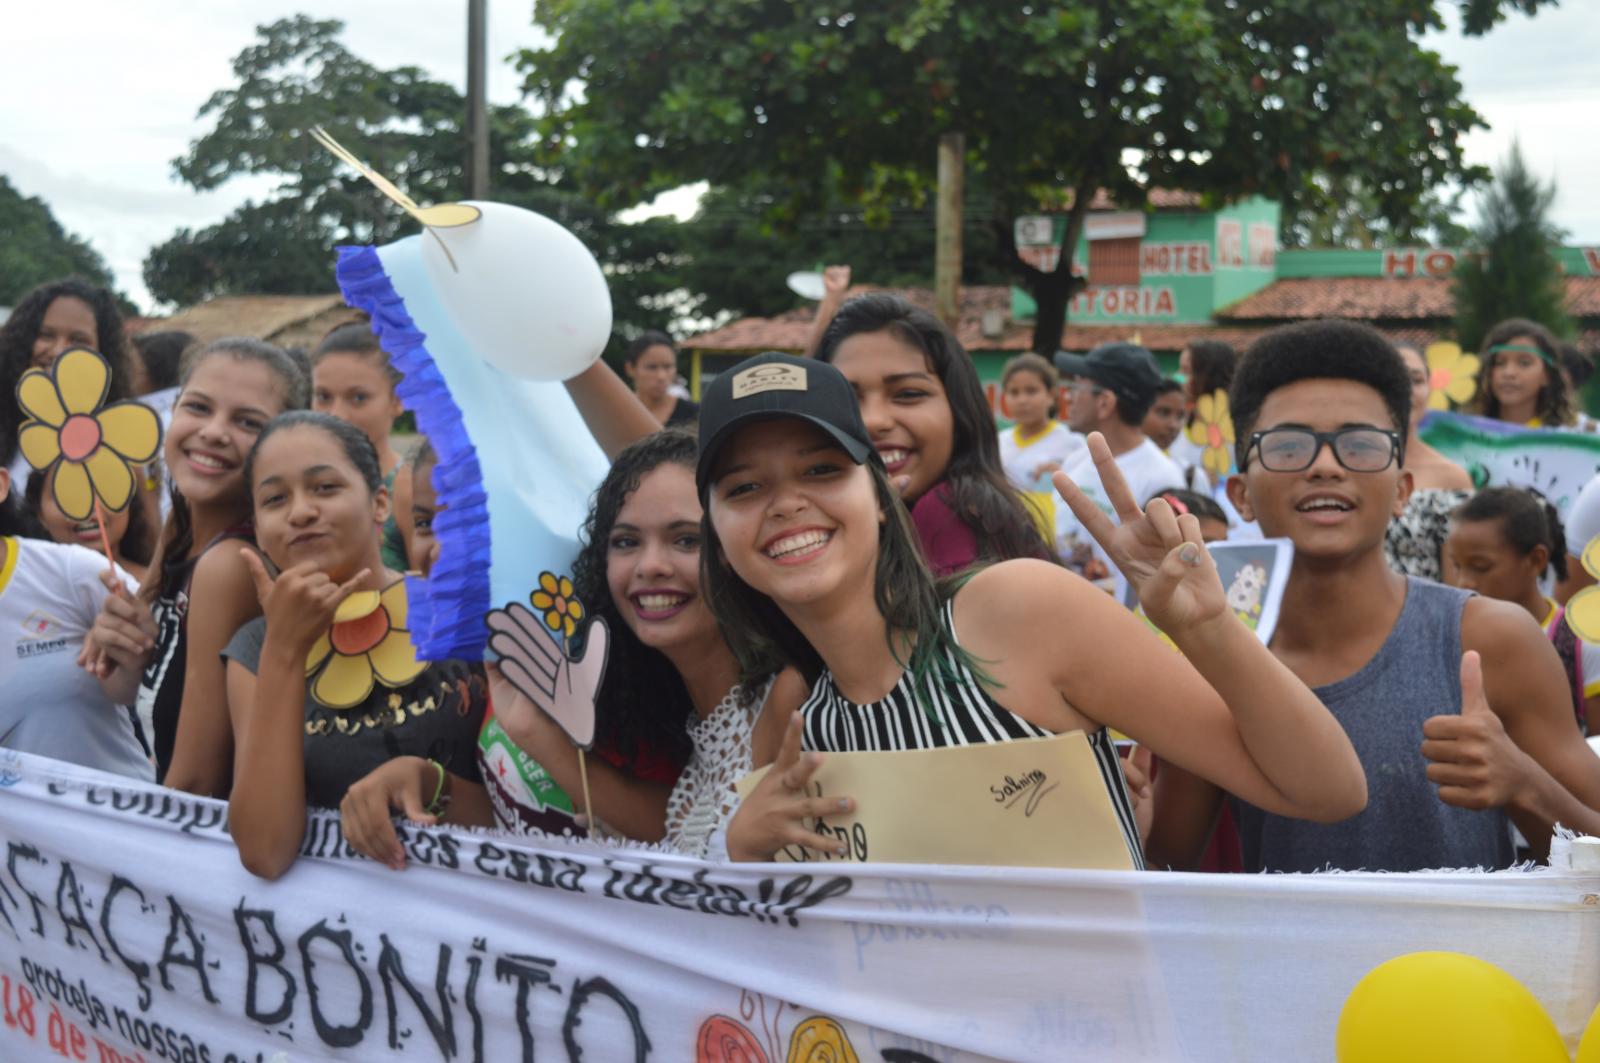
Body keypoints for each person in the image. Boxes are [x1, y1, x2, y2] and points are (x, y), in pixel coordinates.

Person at [693, 352, 1366, 864]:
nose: (786, 504)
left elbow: (1329, 790)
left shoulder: (1013, 612)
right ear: (717, 540)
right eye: (745, 487)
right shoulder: (800, 727)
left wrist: (1208, 630)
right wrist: (745, 853)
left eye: (821, 470)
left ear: (879, 492)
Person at [1146, 319, 1600, 874]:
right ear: (1241, 493)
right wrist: (1117, 795)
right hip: (1285, 962)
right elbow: (1164, 864)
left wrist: (1523, 785)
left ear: (1403, 488)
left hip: (1463, 964)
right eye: (1288, 446)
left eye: (1360, 445)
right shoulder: (1217, 661)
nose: (1325, 466)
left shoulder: (1489, 641)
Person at [476, 430, 810, 856]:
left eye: (686, 539)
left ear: (733, 550)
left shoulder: (789, 696)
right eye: (626, 542)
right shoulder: (692, 736)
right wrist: (531, 731)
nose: (650, 565)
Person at [224, 412, 490, 879]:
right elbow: (265, 851)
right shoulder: (255, 648)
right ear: (258, 526)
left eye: (325, 487)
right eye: (274, 498)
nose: (301, 511)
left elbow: (531, 806)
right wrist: (285, 651)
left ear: (380, 503)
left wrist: (433, 785)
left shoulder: (461, 611)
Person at [83, 337, 308, 794]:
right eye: (199, 407)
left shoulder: (228, 565)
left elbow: (197, 782)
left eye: (247, 421)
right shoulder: (181, 527)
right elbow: (138, 692)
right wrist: (120, 652)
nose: (214, 431)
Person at [814, 293, 1052, 574]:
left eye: (908, 394)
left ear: (957, 407)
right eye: (847, 400)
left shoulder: (949, 513)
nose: (873, 420)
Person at [0, 418, 151, 780]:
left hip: (116, 827)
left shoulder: (74, 572)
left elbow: (159, 683)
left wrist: (130, 659)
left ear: (2, 484)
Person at [1445, 487, 1598, 733]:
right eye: (1456, 566)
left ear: (1536, 560)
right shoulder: (1451, 637)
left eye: (1481, 567)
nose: (1464, 582)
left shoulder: (1581, 644)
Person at [1051, 343, 1185, 583]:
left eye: (1078, 387)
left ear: (1104, 402)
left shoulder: (1161, 478)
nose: (1069, 397)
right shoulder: (1078, 457)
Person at [0, 279, 136, 488]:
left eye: (78, 340)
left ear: (104, 352)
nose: (59, 351)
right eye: (46, 335)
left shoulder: (120, 439)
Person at [311, 323, 409, 570]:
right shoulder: (297, 489)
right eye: (323, 397)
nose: (337, 415)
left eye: (358, 398)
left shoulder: (411, 489)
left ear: (397, 400)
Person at [1385, 343, 1475, 581]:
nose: (1406, 390)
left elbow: (1458, 583)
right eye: (1393, 377)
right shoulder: (1338, 469)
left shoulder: (1452, 478)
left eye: (1416, 380)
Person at [997, 353, 1084, 542]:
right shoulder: (998, 443)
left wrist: (1064, 476)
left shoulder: (1072, 443)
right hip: (1010, 540)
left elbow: (1088, 492)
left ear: (1051, 396)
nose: (1022, 400)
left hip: (1057, 542)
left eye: (1031, 391)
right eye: (1014, 392)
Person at [25, 465, 155, 581]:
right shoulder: (26, 596)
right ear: (40, 513)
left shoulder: (161, 588)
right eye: (66, 495)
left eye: (103, 490)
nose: (89, 507)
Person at [1472, 318, 1572, 428]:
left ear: (1547, 375)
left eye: (1524, 363)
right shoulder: (1470, 434)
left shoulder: (1562, 439)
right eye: (1499, 363)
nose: (1509, 373)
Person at [1167, 340, 1236, 485]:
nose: (1178, 377)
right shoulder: (1184, 420)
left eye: (1185, 371)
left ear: (1207, 376)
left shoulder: (1233, 428)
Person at [624, 332, 699, 428]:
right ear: (630, 369)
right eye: (652, 367)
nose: (661, 376)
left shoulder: (694, 415)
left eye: (668, 367)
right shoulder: (614, 412)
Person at [1143, 379, 1188, 454]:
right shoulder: (1118, 460)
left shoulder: (1178, 464)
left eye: (1180, 416)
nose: (1173, 425)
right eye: (1163, 413)